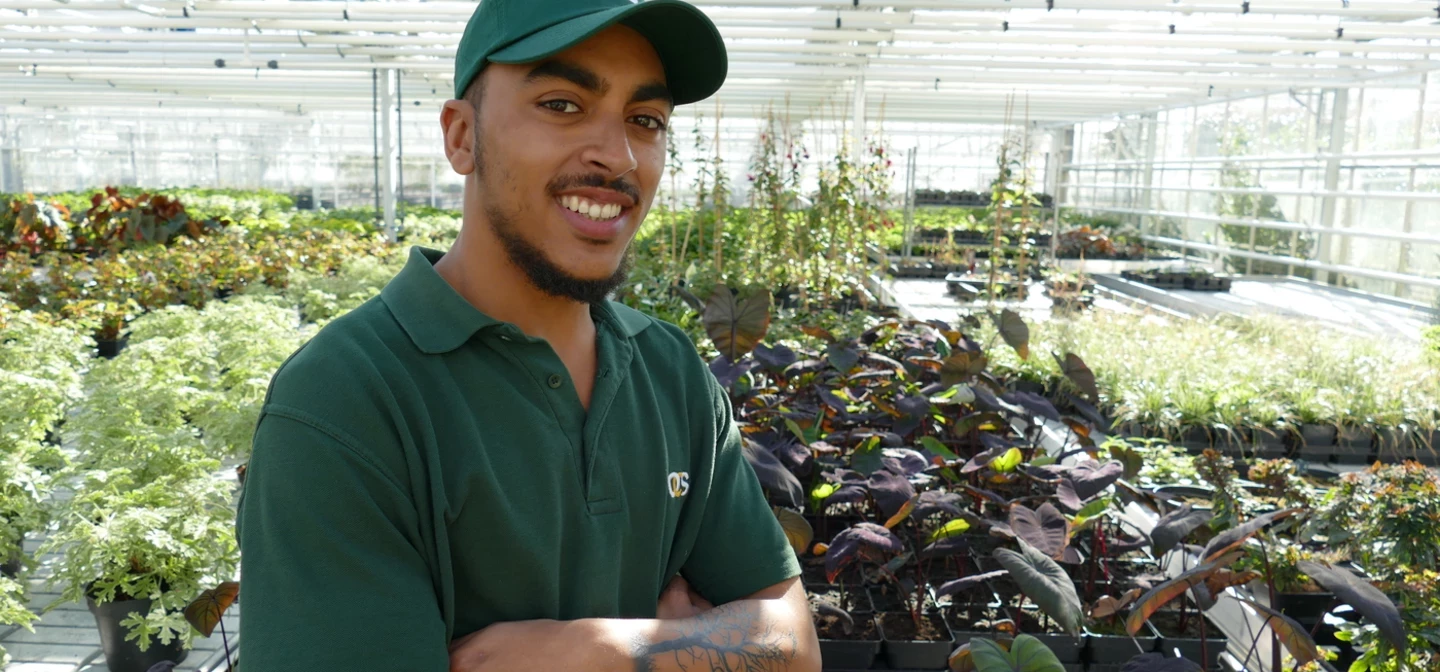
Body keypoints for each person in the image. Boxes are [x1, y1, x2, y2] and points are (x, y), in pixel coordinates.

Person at [234, 0, 821, 669]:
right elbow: (761, 645)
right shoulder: (346, 400)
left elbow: (795, 646)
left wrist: (600, 652)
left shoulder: (670, 370)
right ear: (462, 136)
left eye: (646, 120)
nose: (618, 155)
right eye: (562, 104)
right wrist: (703, 647)